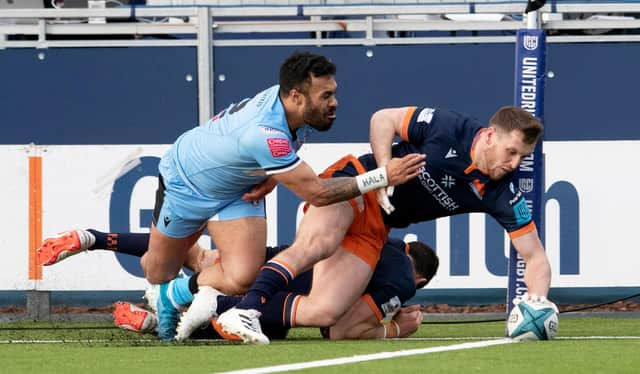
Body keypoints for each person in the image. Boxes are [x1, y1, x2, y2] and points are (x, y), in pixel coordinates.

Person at [39, 51, 426, 341]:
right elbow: (318, 194)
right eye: (325, 95)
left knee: (241, 278)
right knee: (157, 270)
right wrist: (382, 176)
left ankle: (174, 298)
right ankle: (120, 257)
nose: (334, 102)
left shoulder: (291, 114)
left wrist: (273, 175)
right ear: (295, 96)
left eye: (334, 92)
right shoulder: (266, 131)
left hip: (239, 187)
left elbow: (281, 159)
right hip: (187, 181)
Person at [217, 105, 555, 344]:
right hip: (357, 182)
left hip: (378, 225)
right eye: (511, 152)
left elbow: (535, 256)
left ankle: (211, 305)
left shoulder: (501, 194)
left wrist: (537, 300)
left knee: (326, 313)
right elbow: (383, 119)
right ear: (490, 136)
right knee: (317, 245)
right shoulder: (449, 127)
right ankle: (246, 310)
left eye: (522, 158)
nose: (514, 164)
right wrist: (382, 172)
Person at [38, 229, 438, 340]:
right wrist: (396, 326)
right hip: (293, 292)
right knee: (259, 323)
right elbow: (340, 329)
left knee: (201, 256)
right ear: (418, 277)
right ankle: (169, 310)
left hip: (275, 259)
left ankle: (92, 238)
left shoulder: (380, 237)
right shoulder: (403, 277)